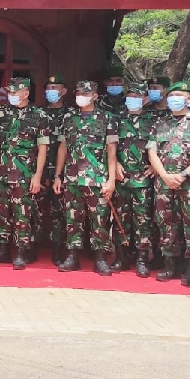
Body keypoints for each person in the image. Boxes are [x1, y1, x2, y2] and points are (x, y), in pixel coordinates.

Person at [53, 81, 117, 274]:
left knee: (99, 220)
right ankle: (73, 256)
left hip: (97, 178)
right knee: (72, 218)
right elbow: (63, 148)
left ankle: (100, 258)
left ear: (95, 96)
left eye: (86, 93)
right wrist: (58, 175)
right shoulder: (69, 118)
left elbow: (111, 151)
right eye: (79, 92)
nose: (81, 96)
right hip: (72, 178)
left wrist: (111, 180)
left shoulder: (107, 118)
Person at [0, 77, 50, 269]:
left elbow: (43, 148)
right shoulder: (2, 112)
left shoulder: (39, 115)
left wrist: (37, 176)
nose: (11, 95)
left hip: (24, 174)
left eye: (15, 92)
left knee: (22, 214)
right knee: (0, 213)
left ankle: (22, 253)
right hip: (1, 171)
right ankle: (2, 250)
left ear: (26, 93)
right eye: (10, 92)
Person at [148, 82, 190, 284]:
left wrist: (183, 175)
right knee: (166, 223)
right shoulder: (160, 123)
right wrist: (164, 175)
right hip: (164, 182)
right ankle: (170, 265)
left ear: (189, 98)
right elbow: (152, 152)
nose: (175, 99)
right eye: (172, 95)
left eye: (179, 95)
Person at [112, 81, 157, 277]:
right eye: (129, 96)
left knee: (142, 220)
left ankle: (141, 259)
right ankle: (121, 257)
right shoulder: (117, 119)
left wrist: (155, 165)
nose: (132, 100)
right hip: (121, 177)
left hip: (143, 179)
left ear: (144, 99)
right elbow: (109, 146)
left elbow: (160, 146)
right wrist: (115, 164)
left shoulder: (153, 120)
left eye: (136, 96)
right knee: (121, 219)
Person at [40, 75, 72, 264]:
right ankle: (29, 248)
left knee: (59, 212)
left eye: (55, 87)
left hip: (64, 170)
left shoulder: (72, 114)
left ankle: (58, 249)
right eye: (48, 88)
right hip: (41, 169)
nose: (51, 91)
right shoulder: (38, 113)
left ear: (64, 91)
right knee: (35, 210)